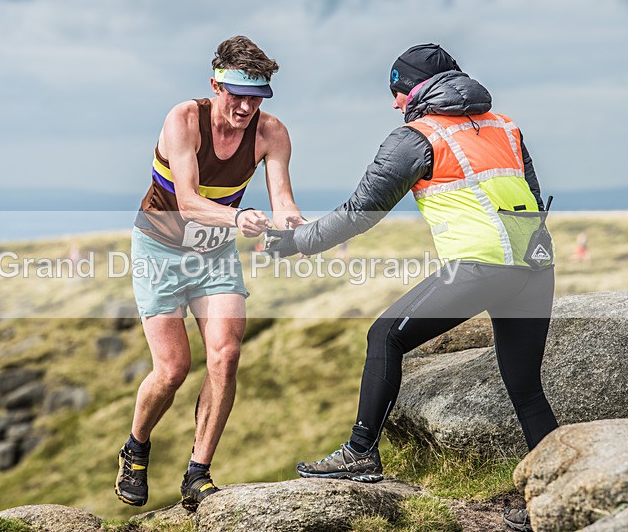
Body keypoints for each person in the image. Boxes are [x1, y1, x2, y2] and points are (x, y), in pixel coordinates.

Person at [264, 43, 556, 532]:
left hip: (479, 266)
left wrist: (295, 242)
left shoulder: (415, 137)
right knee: (526, 390)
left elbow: (360, 212)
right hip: (534, 266)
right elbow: (527, 192)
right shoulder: (506, 126)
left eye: (397, 91)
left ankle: (360, 454)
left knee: (385, 335)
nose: (395, 103)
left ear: (415, 89)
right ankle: (556, 491)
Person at [116, 35, 304, 511]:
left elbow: (283, 201)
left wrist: (296, 227)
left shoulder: (272, 133)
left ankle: (198, 473)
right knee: (173, 369)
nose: (245, 107)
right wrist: (239, 218)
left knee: (225, 355)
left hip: (214, 253)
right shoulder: (183, 120)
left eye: (256, 97)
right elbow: (189, 202)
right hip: (159, 249)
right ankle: (137, 446)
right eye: (237, 94)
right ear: (215, 84)